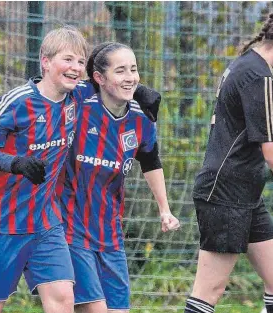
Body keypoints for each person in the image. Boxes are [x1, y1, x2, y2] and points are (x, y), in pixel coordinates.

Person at [185, 3, 273, 313]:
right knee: (209, 290)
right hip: (226, 195)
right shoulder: (260, 77)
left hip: (244, 195)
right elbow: (272, 153)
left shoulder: (244, 64)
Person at [0, 26, 89, 313]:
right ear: (45, 62)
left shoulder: (77, 97)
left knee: (62, 297)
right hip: (2, 222)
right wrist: (16, 164)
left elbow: (107, 78)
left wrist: (139, 91)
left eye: (81, 62)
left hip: (45, 221)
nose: (76, 68)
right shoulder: (19, 101)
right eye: (68, 59)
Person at [56, 42, 181, 313]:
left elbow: (150, 159)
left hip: (110, 234)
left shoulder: (141, 118)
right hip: (69, 229)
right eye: (121, 71)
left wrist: (164, 209)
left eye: (134, 70)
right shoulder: (78, 102)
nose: (131, 77)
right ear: (99, 78)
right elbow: (53, 85)